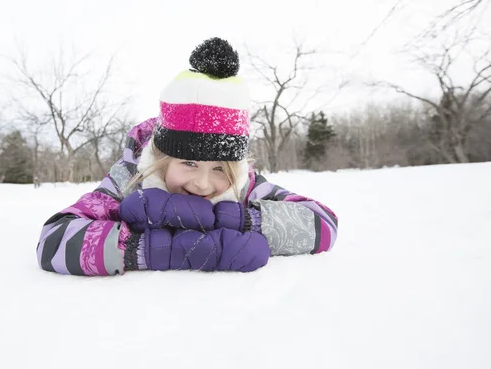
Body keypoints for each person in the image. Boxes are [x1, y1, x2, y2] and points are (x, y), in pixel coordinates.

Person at [36, 37, 338, 276]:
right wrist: (144, 250)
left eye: (219, 167)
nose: (203, 184)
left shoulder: (243, 185)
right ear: (161, 158)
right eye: (189, 163)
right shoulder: (131, 179)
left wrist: (242, 220)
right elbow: (54, 240)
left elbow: (322, 223)